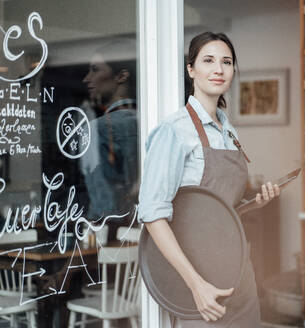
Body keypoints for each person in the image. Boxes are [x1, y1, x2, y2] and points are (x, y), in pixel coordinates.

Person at [138, 32, 280, 327]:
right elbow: (152, 215)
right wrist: (196, 285)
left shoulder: (229, 131)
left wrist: (254, 203)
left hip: (240, 273)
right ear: (191, 70)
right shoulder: (174, 130)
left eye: (226, 62)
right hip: (198, 279)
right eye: (208, 60)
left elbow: (217, 208)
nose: (219, 69)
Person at [80, 40, 139, 240]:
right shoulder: (151, 121)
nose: (86, 79)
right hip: (142, 231)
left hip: (110, 237)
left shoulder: (98, 128)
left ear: (121, 76)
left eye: (95, 70)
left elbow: (103, 202)